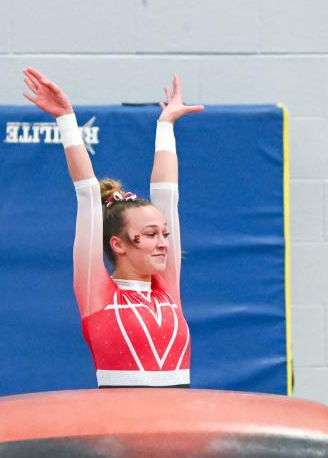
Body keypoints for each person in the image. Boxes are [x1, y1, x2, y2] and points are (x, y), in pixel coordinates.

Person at [22, 68, 204, 388]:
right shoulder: (99, 294)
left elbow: (168, 196)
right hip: (121, 433)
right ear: (118, 244)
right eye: (150, 235)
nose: (163, 243)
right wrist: (66, 119)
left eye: (164, 234)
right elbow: (88, 193)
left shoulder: (166, 290)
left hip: (177, 432)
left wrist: (165, 125)